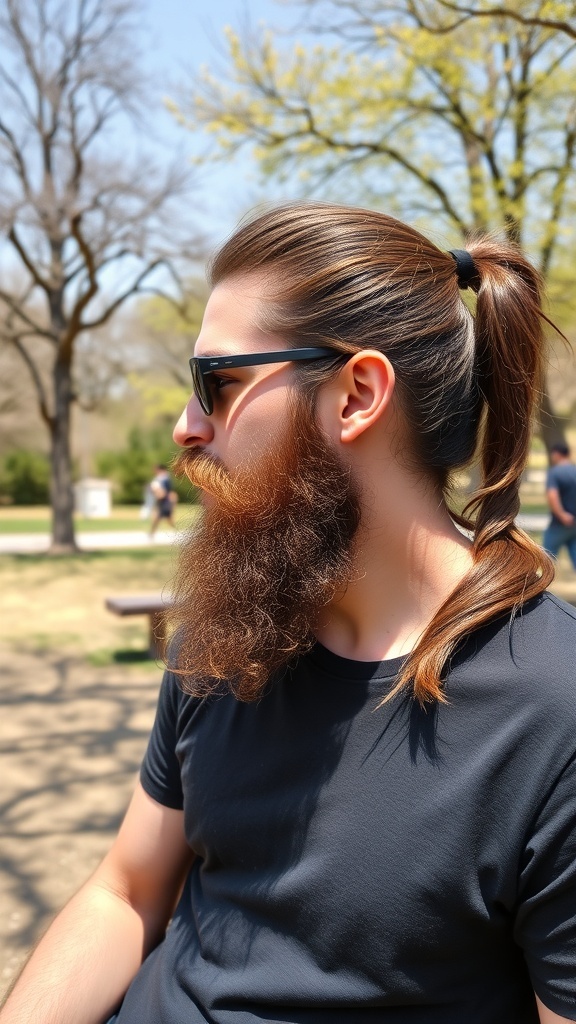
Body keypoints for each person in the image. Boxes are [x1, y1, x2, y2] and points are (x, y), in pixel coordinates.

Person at [2, 202, 576, 1024]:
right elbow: (125, 894)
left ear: (356, 396)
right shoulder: (224, 633)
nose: (184, 426)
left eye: (219, 384)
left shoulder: (554, 714)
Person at [542, 442, 576, 569]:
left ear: (556, 454)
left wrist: (562, 515)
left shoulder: (555, 473)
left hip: (560, 523)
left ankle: (540, 585)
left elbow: (552, 495)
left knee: (547, 557)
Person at [148, 463, 176, 537]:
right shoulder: (160, 478)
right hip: (162, 501)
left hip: (165, 501)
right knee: (164, 518)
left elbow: (166, 492)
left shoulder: (165, 478)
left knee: (161, 518)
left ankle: (151, 534)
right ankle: (152, 534)